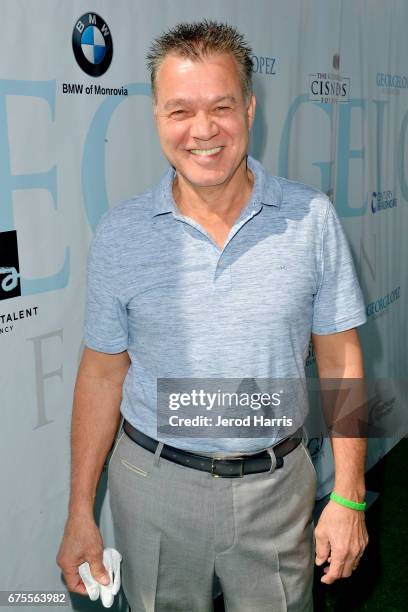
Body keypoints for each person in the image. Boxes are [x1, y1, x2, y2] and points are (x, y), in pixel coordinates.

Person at [57, 20, 369, 612]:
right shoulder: (121, 233)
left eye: (221, 106)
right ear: (156, 117)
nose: (203, 130)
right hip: (152, 488)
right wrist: (79, 510)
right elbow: (101, 373)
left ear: (250, 108)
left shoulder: (311, 219)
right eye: (180, 111)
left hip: (277, 489)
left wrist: (350, 493)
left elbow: (341, 357)